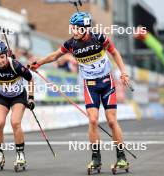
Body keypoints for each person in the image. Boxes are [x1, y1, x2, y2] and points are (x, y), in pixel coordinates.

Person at [30, 12, 130, 169]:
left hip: (106, 83)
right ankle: (96, 159)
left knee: (111, 120)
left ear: (85, 29)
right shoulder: (71, 44)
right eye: (72, 28)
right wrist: (39, 63)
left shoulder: (99, 38)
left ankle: (121, 157)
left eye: (77, 28)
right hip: (90, 85)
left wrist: (123, 72)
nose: (74, 31)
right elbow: (55, 55)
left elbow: (115, 52)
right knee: (93, 120)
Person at [0, 41, 35, 170]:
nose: (0, 60)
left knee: (15, 122)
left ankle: (20, 155)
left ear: (7, 55)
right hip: (2, 96)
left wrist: (31, 98)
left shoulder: (16, 66)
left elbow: (30, 79)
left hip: (18, 96)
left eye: (2, 57)